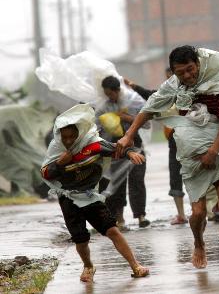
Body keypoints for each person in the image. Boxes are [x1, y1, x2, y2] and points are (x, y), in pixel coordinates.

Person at [116, 45, 219, 270]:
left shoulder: (216, 85)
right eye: (181, 72)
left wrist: (213, 152)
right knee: (198, 213)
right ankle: (199, 243)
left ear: (198, 64)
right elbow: (149, 109)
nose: (188, 76)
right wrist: (129, 135)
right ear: (174, 73)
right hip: (192, 156)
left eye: (191, 69)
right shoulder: (174, 87)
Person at [40, 104, 149, 282]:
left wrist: (129, 153)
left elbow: (115, 148)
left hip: (90, 196)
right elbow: (45, 173)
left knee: (112, 230)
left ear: (79, 133)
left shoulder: (92, 145)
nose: (68, 141)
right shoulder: (56, 148)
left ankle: (136, 266)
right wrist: (59, 164)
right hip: (68, 198)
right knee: (80, 239)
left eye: (72, 136)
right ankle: (88, 266)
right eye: (64, 137)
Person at [124, 70, 188, 225]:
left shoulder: (191, 92)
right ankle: (182, 214)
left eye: (172, 77)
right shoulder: (167, 93)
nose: (170, 81)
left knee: (196, 176)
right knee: (176, 177)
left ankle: (207, 210)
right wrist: (133, 85)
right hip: (174, 141)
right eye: (168, 78)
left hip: (190, 140)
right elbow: (152, 96)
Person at [97, 76, 150, 228]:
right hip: (115, 147)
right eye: (106, 94)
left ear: (118, 90)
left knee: (137, 179)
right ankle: (119, 219)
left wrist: (125, 118)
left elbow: (146, 124)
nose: (110, 97)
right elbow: (97, 128)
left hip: (135, 144)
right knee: (117, 182)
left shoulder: (133, 102)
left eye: (111, 93)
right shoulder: (103, 107)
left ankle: (141, 216)